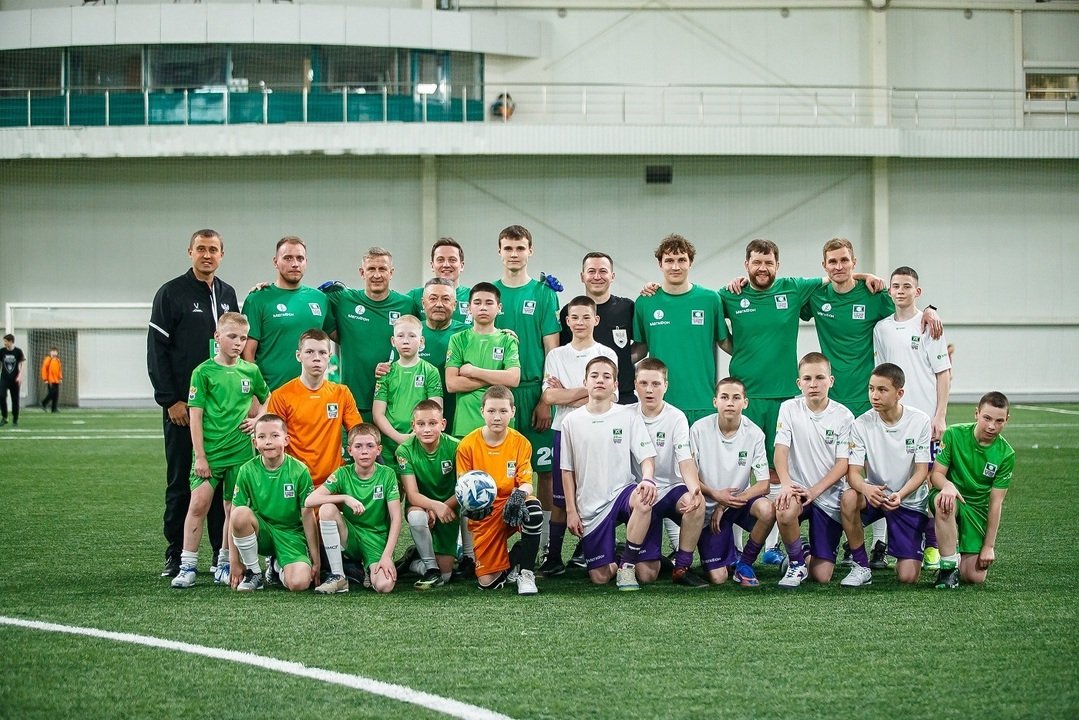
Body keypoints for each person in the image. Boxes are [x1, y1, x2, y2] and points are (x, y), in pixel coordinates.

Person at [148, 228, 239, 579]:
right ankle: (176, 553)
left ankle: (219, 552)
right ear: (190, 252)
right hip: (183, 410)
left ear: (222, 254)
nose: (207, 255)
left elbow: (236, 343)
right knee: (180, 481)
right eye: (201, 248)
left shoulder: (228, 293)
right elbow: (156, 350)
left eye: (213, 249)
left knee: (219, 483)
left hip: (221, 411)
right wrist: (170, 399)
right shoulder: (171, 293)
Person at [172, 312, 270, 588]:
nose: (238, 343)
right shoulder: (203, 372)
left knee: (232, 508)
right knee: (198, 505)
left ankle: (225, 564)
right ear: (217, 337)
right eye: (232, 336)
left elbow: (268, 396)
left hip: (241, 452)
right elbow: (195, 416)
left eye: (243, 338)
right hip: (210, 452)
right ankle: (187, 566)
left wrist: (259, 419)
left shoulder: (250, 371)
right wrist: (200, 456)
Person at [873, 265, 951, 570]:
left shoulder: (930, 325)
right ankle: (884, 544)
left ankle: (932, 545)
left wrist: (939, 415)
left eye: (907, 286)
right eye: (896, 286)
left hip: (925, 421)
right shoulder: (881, 329)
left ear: (917, 292)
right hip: (893, 420)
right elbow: (882, 373)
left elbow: (943, 373)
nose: (901, 291)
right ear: (889, 291)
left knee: (928, 481)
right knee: (889, 480)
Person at [561, 357, 658, 591]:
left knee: (644, 499)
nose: (600, 380)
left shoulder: (627, 415)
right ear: (585, 382)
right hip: (591, 506)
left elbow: (647, 457)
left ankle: (627, 566)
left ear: (615, 384)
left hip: (622, 492)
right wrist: (571, 511)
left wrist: (647, 479)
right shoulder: (571, 421)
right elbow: (567, 470)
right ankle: (617, 552)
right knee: (600, 577)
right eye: (594, 376)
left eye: (606, 376)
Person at [492, 225, 561, 557]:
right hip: (497, 393)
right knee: (493, 470)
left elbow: (552, 350)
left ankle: (544, 545)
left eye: (520, 248)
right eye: (508, 248)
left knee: (543, 472)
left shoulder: (544, 293)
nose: (514, 254)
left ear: (530, 251)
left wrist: (545, 398)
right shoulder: (489, 292)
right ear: (499, 252)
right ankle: (490, 548)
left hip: (534, 392)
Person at [540, 295, 618, 576]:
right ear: (567, 321)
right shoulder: (556, 355)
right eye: (574, 317)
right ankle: (553, 557)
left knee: (594, 492)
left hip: (597, 432)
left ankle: (588, 550)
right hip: (564, 430)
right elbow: (549, 397)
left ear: (596, 320)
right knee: (560, 497)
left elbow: (612, 396)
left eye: (586, 317)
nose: (580, 322)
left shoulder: (606, 353)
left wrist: (567, 393)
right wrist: (589, 392)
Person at [839, 363, 932, 587]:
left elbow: (922, 471)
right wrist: (867, 488)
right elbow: (853, 473)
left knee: (907, 577)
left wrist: (900, 494)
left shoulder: (920, 421)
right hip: (876, 496)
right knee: (849, 497)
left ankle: (924, 538)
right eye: (871, 389)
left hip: (908, 500)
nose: (874, 395)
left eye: (882, 390)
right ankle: (861, 565)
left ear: (899, 393)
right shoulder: (861, 424)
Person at [773, 352, 855, 589]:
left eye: (820, 378)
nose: (813, 384)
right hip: (797, 489)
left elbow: (843, 464)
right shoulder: (789, 408)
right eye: (807, 379)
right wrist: (786, 484)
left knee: (821, 575)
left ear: (831, 380)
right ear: (799, 383)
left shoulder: (844, 416)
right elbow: (780, 451)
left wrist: (815, 491)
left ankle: (804, 550)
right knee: (785, 508)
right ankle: (796, 563)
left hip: (828, 495)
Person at [456, 385, 543, 595]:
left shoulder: (521, 443)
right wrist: (470, 508)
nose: (497, 417)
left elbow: (527, 482)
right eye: (491, 411)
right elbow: (463, 486)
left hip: (512, 504)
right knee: (488, 583)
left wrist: (519, 495)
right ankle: (518, 554)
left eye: (503, 411)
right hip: (485, 512)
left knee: (533, 509)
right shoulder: (467, 445)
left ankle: (526, 573)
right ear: (482, 412)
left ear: (513, 411)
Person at [633, 234, 729, 426]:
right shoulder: (645, 302)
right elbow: (640, 349)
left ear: (690, 262)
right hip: (661, 404)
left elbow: (725, 342)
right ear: (660, 264)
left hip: (702, 402)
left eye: (681, 260)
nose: (675, 266)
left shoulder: (710, 299)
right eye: (669, 260)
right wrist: (610, 365)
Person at [630, 359, 708, 588]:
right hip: (642, 494)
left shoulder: (676, 417)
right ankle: (636, 554)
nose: (649, 389)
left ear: (666, 385)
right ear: (635, 385)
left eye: (656, 384)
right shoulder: (626, 415)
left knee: (696, 502)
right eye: (643, 383)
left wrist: (695, 489)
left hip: (672, 489)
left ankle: (682, 567)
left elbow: (685, 459)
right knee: (647, 575)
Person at [689, 377, 774, 587]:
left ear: (745, 402)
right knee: (718, 578)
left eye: (736, 398)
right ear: (715, 401)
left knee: (767, 509)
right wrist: (716, 497)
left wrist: (725, 504)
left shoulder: (755, 433)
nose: (730, 403)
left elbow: (764, 484)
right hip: (708, 509)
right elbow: (689, 476)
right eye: (724, 397)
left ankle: (745, 562)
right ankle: (725, 554)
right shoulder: (699, 429)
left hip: (737, 503)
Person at [929, 392, 1015, 589]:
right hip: (951, 497)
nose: (992, 426)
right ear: (976, 413)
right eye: (987, 418)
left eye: (999, 421)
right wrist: (948, 485)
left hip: (977, 508)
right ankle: (948, 569)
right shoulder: (954, 434)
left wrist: (989, 546)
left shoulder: (1006, 454)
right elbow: (936, 475)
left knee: (974, 576)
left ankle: (956, 554)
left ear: (1007, 420)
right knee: (944, 502)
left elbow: (996, 503)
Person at [306, 423, 404, 594]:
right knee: (327, 509)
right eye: (358, 446)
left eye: (370, 446)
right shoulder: (343, 473)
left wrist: (387, 556)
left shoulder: (387, 474)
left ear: (379, 450)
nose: (364, 451)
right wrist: (345, 497)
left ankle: (368, 570)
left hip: (376, 539)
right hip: (350, 535)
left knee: (384, 586)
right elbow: (310, 500)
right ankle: (338, 576)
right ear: (350, 450)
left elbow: (396, 518)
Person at [324, 247, 419, 421]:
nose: (377, 275)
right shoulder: (344, 299)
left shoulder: (407, 304)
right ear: (362, 272)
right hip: (353, 403)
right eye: (371, 269)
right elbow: (309, 300)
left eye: (382, 269)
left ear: (391, 273)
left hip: (394, 404)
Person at [227, 414, 319, 592]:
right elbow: (233, 517)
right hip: (262, 533)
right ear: (255, 443)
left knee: (299, 584)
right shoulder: (246, 470)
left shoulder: (299, 471)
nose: (268, 441)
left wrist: (316, 561)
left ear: (286, 440)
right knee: (239, 514)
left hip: (291, 535)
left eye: (275, 435)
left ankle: (277, 567)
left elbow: (308, 517)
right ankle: (254, 572)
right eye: (262, 437)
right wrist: (234, 561)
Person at [266, 329, 362, 486]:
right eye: (309, 352)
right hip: (295, 482)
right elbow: (273, 443)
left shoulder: (341, 393)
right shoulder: (281, 396)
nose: (316, 358)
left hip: (334, 482)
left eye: (322, 353)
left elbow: (359, 434)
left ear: (329, 356)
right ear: (299, 355)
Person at [241, 236, 331, 391]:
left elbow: (344, 336)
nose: (295, 264)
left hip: (312, 395)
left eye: (300, 258)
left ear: (306, 262)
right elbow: (247, 353)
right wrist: (257, 393)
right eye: (288, 258)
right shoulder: (257, 299)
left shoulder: (320, 299)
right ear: (275, 261)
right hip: (271, 394)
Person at [558, 252, 643, 404]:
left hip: (623, 396)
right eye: (591, 271)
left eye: (603, 271)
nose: (597, 277)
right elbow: (564, 353)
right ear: (582, 276)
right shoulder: (569, 312)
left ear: (612, 276)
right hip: (582, 398)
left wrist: (621, 360)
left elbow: (642, 345)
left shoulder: (627, 308)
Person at [394, 400, 461, 589]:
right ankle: (430, 568)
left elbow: (463, 489)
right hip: (422, 506)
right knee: (416, 516)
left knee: (446, 576)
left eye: (432, 423)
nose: (427, 429)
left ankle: (414, 561)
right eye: (421, 424)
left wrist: (443, 507)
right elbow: (412, 495)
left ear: (443, 424)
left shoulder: (457, 447)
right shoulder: (404, 450)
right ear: (413, 426)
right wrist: (434, 506)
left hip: (450, 508)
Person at [445, 282, 521, 438]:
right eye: (477, 302)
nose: (483, 307)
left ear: (499, 308)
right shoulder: (458, 339)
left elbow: (513, 379)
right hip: (465, 425)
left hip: (501, 427)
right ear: (469, 308)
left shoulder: (507, 339)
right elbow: (452, 384)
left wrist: (473, 371)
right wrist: (498, 379)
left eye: (489, 303)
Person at [372, 314, 443, 461]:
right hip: (389, 444)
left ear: (421, 341)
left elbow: (436, 410)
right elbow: (378, 414)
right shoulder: (386, 372)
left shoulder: (430, 371)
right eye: (400, 336)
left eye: (412, 336)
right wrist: (398, 437)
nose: (406, 341)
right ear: (393, 341)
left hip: (420, 441)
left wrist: (416, 434)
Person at [407, 238, 473, 325]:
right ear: (432, 265)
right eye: (440, 260)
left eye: (452, 260)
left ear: (462, 265)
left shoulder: (473, 297)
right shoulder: (415, 296)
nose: (446, 265)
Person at [0, 334, 26, 426]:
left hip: (15, 379)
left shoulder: (18, 351)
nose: (4, 343)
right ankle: (4, 417)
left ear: (11, 341)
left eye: (6, 341)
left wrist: (20, 376)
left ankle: (15, 419)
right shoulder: (2, 351)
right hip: (4, 378)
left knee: (15, 400)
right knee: (1, 396)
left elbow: (23, 364)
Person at [39, 346, 62, 413]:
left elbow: (59, 370)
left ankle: (54, 408)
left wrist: (60, 378)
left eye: (55, 351)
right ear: (50, 352)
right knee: (51, 393)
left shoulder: (58, 360)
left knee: (56, 395)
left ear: (57, 353)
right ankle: (43, 403)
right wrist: (45, 379)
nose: (54, 353)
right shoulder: (48, 359)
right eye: (53, 351)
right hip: (50, 380)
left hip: (56, 380)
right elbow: (44, 369)